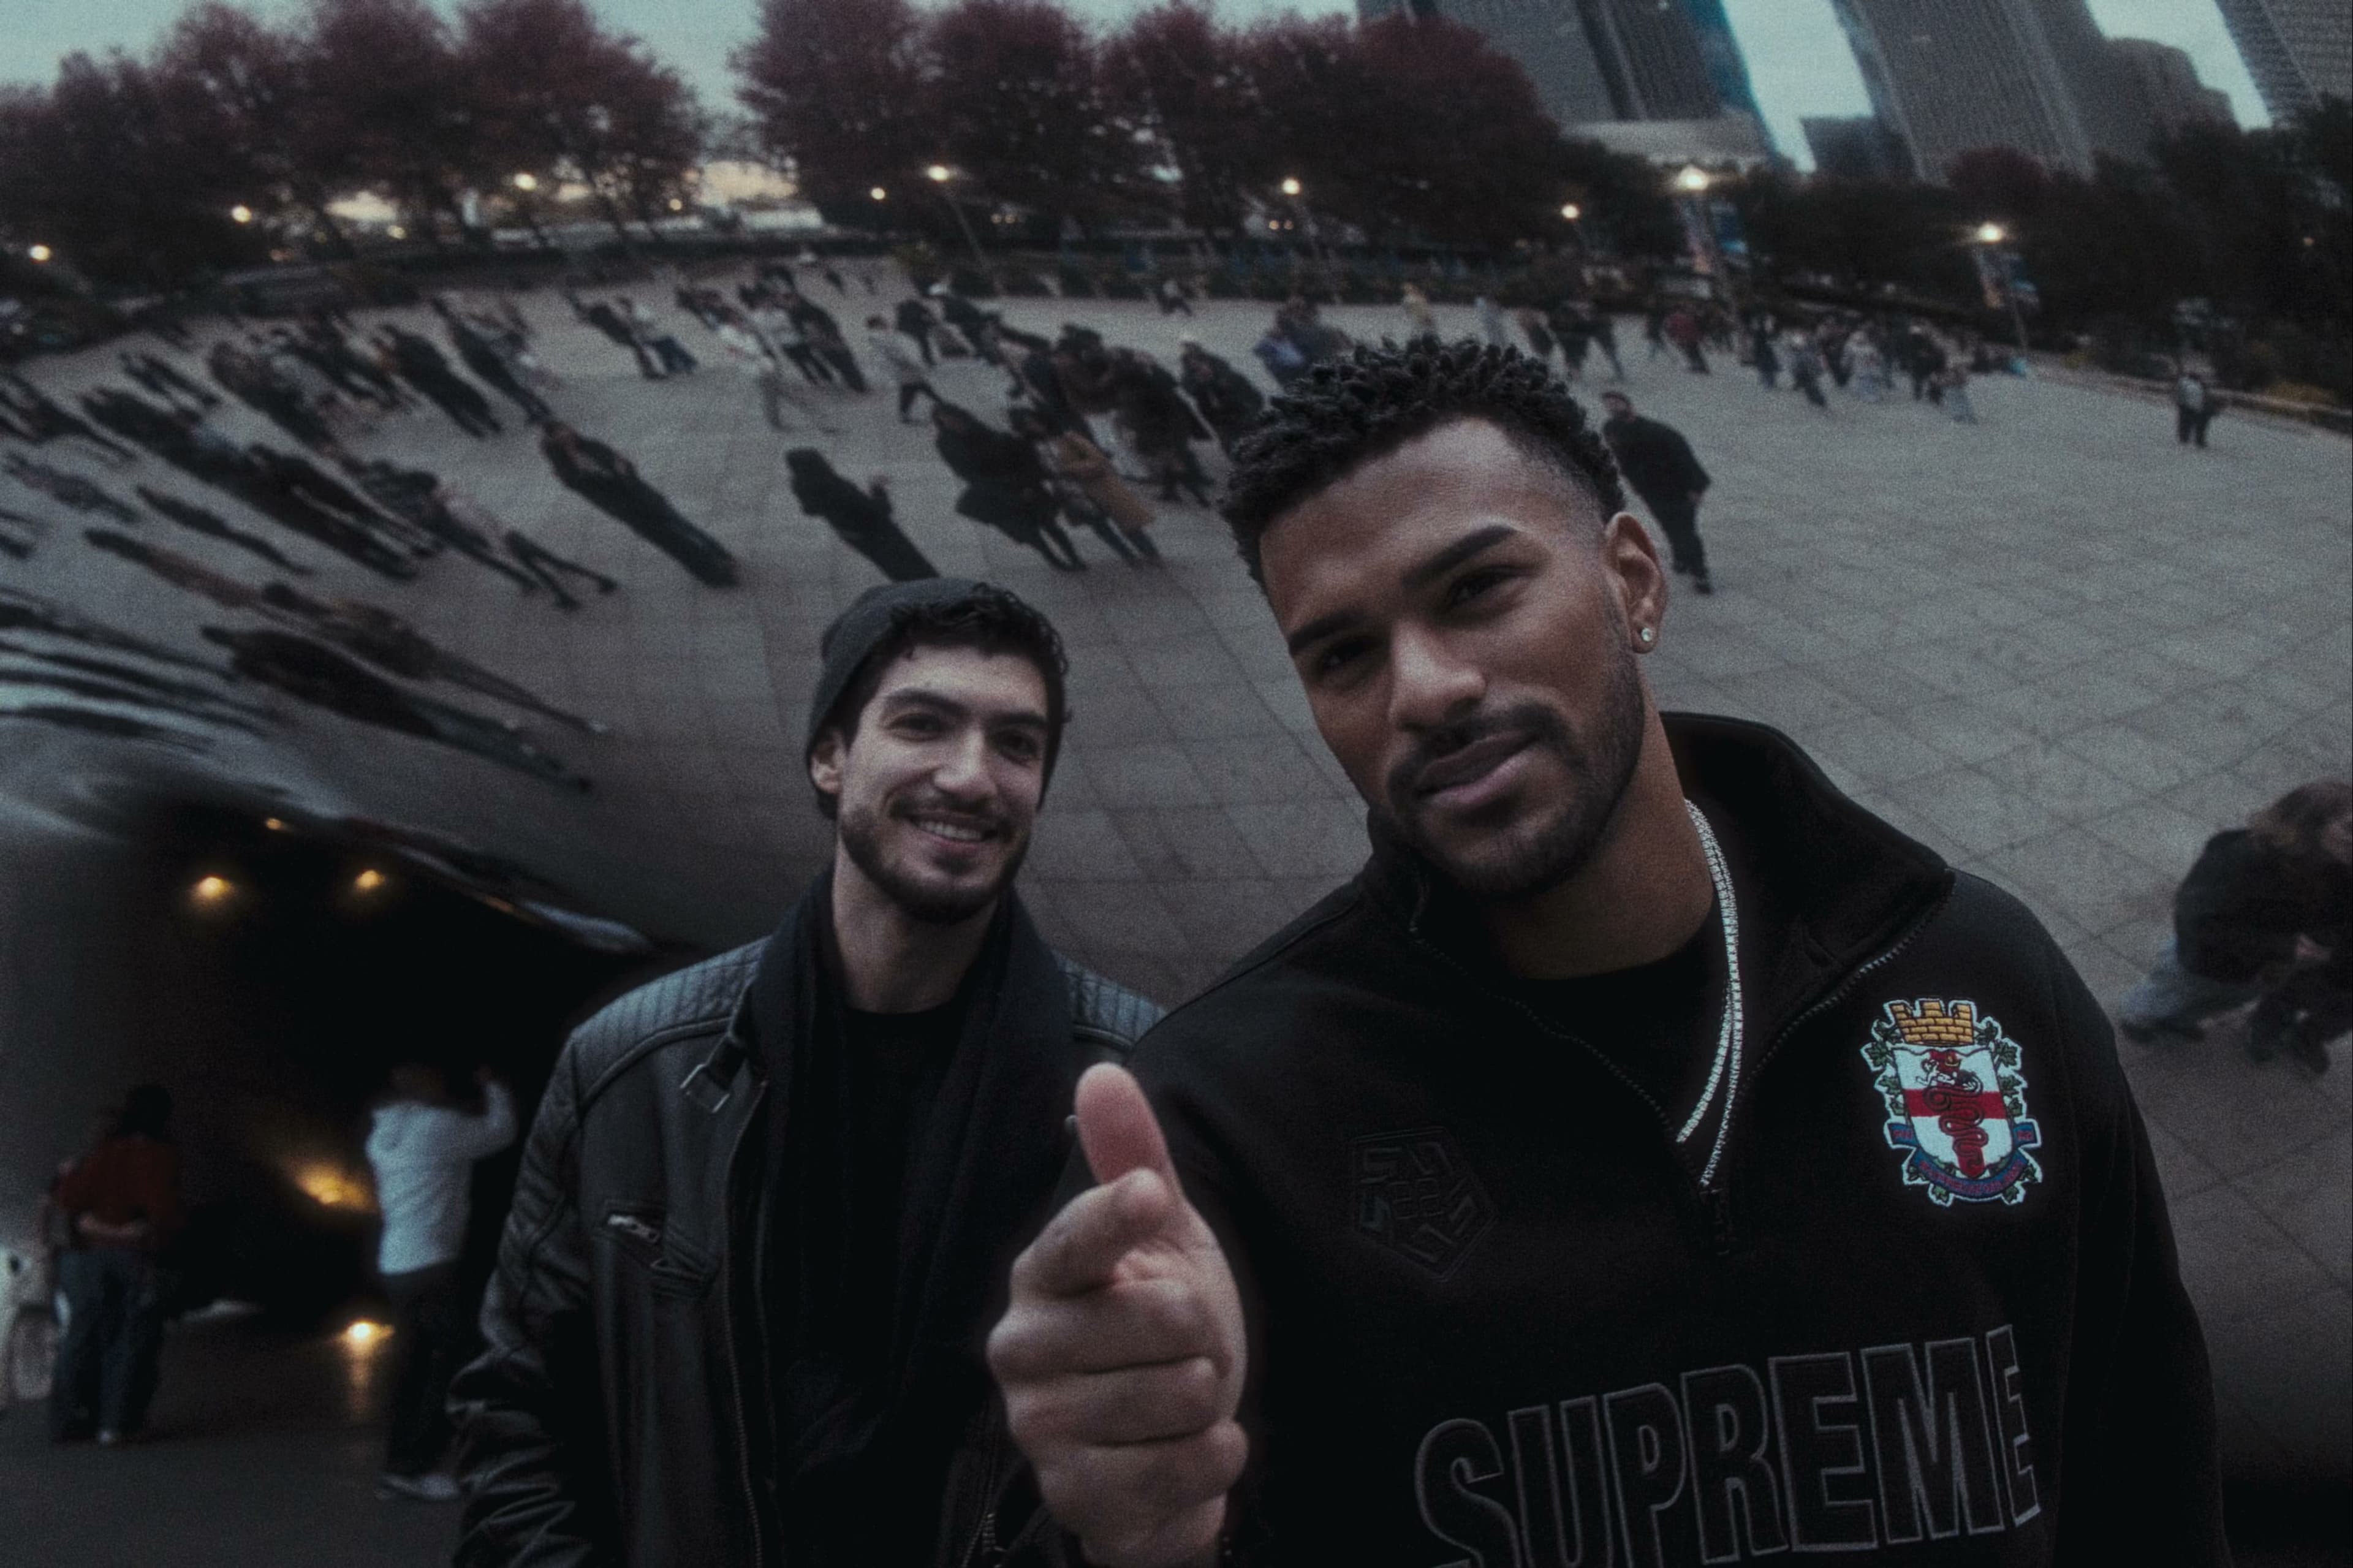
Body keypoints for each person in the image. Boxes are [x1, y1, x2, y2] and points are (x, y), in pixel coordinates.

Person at [988, 340, 2230, 1566]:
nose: (1422, 688)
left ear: (1634, 578)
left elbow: (2144, 1455)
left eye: (1477, 589)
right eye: (1344, 654)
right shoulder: (1223, 1121)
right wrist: (1118, 1535)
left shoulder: (1971, 975)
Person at [452, 580, 1161, 1566]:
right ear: (830, 757)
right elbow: (515, 1409)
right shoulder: (631, 1067)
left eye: (1016, 743)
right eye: (924, 724)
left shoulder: (1135, 1087)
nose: (971, 776)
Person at [2118, 779, 2350, 1074]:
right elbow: (2201, 921)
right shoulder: (2242, 858)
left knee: (2222, 1000)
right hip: (2202, 963)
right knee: (2167, 995)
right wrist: (2286, 947)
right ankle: (2139, 1022)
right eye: (2349, 828)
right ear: (2310, 824)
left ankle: (2178, 1020)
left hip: (2257, 970)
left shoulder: (2336, 867)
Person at [366, 1065, 517, 1501]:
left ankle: (398, 1465)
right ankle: (419, 1461)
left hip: (397, 1264)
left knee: (414, 1363)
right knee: (465, 1353)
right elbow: (500, 1130)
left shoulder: (382, 1137)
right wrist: (495, 1085)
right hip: (434, 1263)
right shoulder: (437, 1127)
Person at [48, 1085, 181, 1447]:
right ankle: (117, 1422)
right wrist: (134, 1231)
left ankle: (71, 1419)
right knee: (132, 1341)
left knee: (87, 1335)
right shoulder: (161, 1157)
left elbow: (68, 1199)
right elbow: (165, 1213)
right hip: (137, 1259)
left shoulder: (104, 1155)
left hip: (91, 1258)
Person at [540, 421, 738, 589]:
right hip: (629, 510)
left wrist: (621, 472)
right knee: (674, 544)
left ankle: (718, 556)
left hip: (643, 496)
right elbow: (600, 492)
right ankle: (713, 575)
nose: (569, 436)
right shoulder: (569, 473)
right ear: (556, 446)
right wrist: (612, 474)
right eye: (562, 437)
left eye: (567, 430)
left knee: (681, 526)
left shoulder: (592, 446)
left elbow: (625, 466)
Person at [933, 403, 1086, 572]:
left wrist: (1025, 482)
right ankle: (1054, 560)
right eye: (946, 420)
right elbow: (966, 473)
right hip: (997, 491)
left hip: (1020, 482)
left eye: (952, 418)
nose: (951, 423)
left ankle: (1074, 557)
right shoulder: (947, 443)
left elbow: (1009, 451)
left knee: (1049, 524)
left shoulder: (978, 430)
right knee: (1031, 533)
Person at [1599, 387, 1714, 594]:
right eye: (1609, 405)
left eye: (1616, 403)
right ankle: (1680, 556)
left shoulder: (1658, 432)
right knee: (1667, 525)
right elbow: (1621, 459)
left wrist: (1696, 488)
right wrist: (1634, 483)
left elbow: (1684, 457)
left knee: (1686, 531)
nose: (1612, 407)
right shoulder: (1611, 429)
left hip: (1677, 489)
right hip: (1650, 491)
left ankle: (1700, 573)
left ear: (1628, 404)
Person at [1015, 407, 1159, 567]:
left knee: (1127, 521)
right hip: (1071, 491)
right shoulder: (1031, 447)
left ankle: (1150, 553)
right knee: (1100, 527)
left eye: (1034, 421)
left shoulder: (1068, 438)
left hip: (1098, 484)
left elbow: (1098, 459)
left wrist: (1070, 469)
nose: (1033, 426)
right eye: (1027, 424)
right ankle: (1128, 557)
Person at [784, 449, 939, 583]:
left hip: (853, 536)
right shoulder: (837, 488)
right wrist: (878, 488)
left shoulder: (801, 485)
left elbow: (810, 510)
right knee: (912, 564)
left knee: (890, 566)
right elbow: (881, 510)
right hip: (877, 532)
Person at [1178, 341, 1265, 457]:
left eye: (1202, 364)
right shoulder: (1196, 385)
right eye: (1196, 368)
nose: (1201, 369)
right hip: (1223, 423)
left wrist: (1252, 412)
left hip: (1244, 415)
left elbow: (1255, 397)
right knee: (1235, 450)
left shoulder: (1230, 377)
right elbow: (1191, 390)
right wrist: (1203, 383)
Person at [865, 316, 938, 422]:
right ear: (876, 325)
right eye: (882, 322)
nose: (886, 323)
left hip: (902, 366)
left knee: (917, 386)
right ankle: (906, 413)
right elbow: (893, 352)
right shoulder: (880, 337)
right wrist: (908, 362)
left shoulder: (880, 336)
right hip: (902, 366)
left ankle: (941, 403)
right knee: (912, 388)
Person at [2174, 370, 2215, 448]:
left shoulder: (2183, 382)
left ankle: (2185, 437)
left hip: (2188, 406)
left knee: (2186, 423)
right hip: (2198, 408)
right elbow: (2206, 395)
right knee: (2199, 425)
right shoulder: (2199, 385)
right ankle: (2198, 440)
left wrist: (2179, 402)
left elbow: (2180, 394)